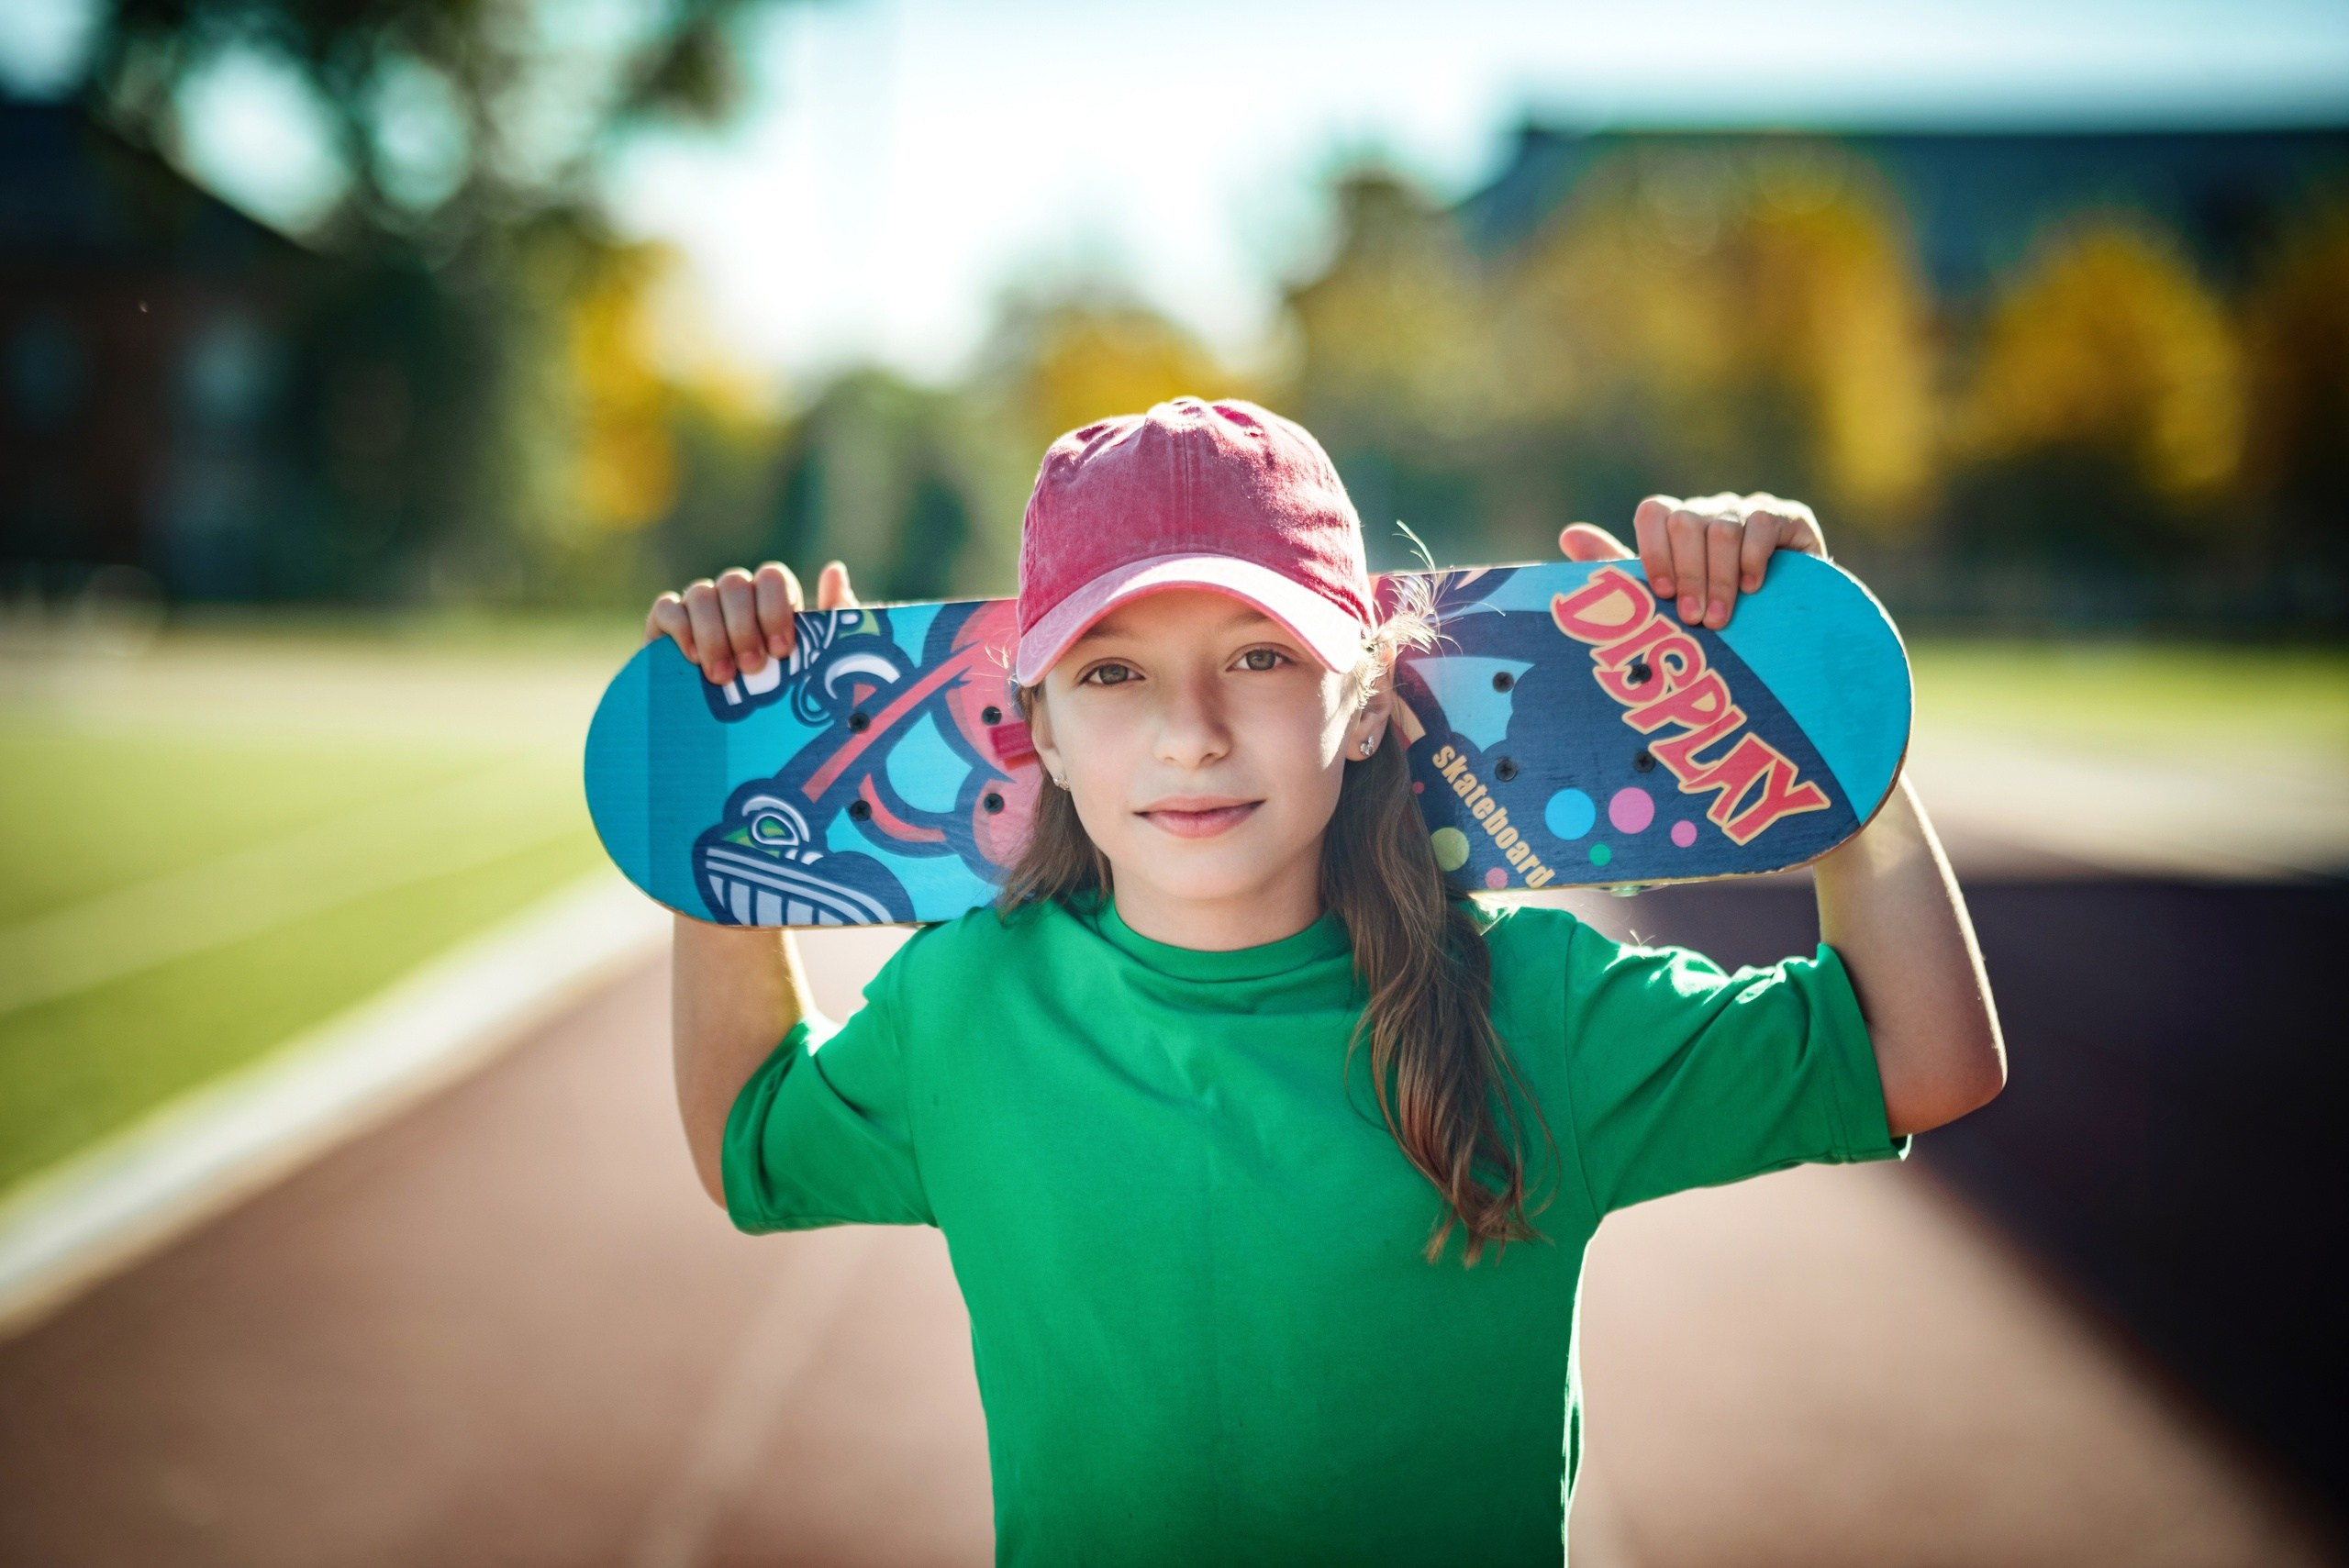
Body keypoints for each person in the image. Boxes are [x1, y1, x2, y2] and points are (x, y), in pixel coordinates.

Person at [644, 398, 2004, 1566]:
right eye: (1114, 671)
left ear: (1362, 698)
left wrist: (1816, 711)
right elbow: (751, 1143)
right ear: (1038, 725)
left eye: (1261, 655)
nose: (1192, 733)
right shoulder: (965, 1008)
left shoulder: (1531, 1006)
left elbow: (1926, 1054)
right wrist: (728, 784)